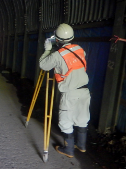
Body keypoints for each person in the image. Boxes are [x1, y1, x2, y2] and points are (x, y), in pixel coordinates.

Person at [39, 23, 91, 158]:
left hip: (70, 93)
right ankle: (81, 145)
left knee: (65, 121)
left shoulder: (57, 55)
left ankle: (68, 149)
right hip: (84, 91)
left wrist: (47, 50)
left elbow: (43, 65)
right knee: (82, 118)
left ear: (57, 39)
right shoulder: (80, 49)